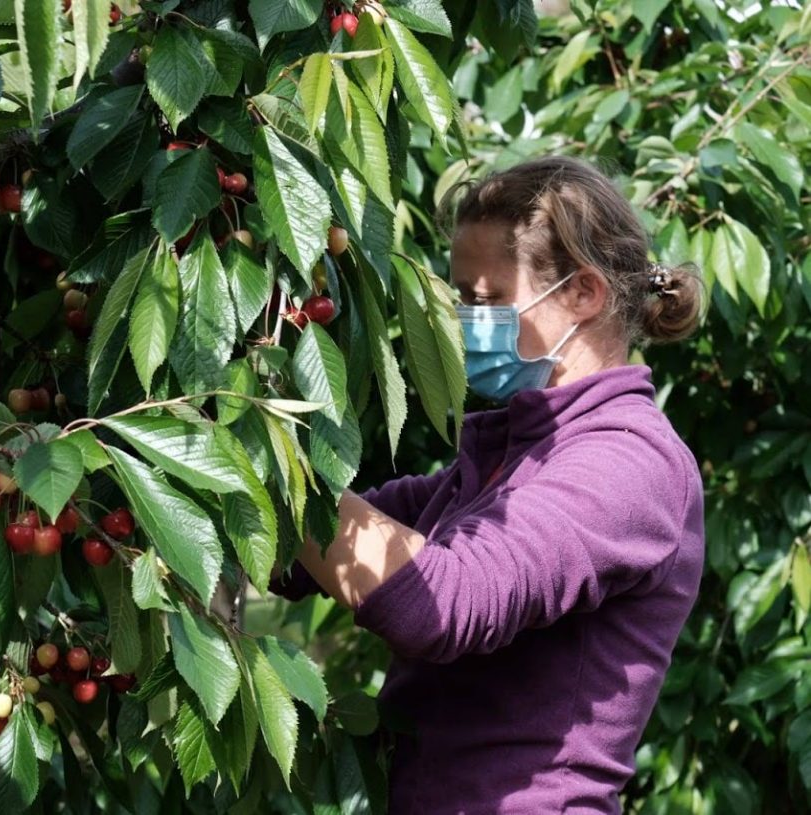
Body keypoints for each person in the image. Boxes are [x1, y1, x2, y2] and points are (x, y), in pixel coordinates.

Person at [277, 157, 707, 814]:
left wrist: (267, 450)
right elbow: (306, 552)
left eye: (485, 300)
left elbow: (436, 603)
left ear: (583, 293)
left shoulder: (629, 464)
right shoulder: (518, 449)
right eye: (461, 299)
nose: (464, 322)